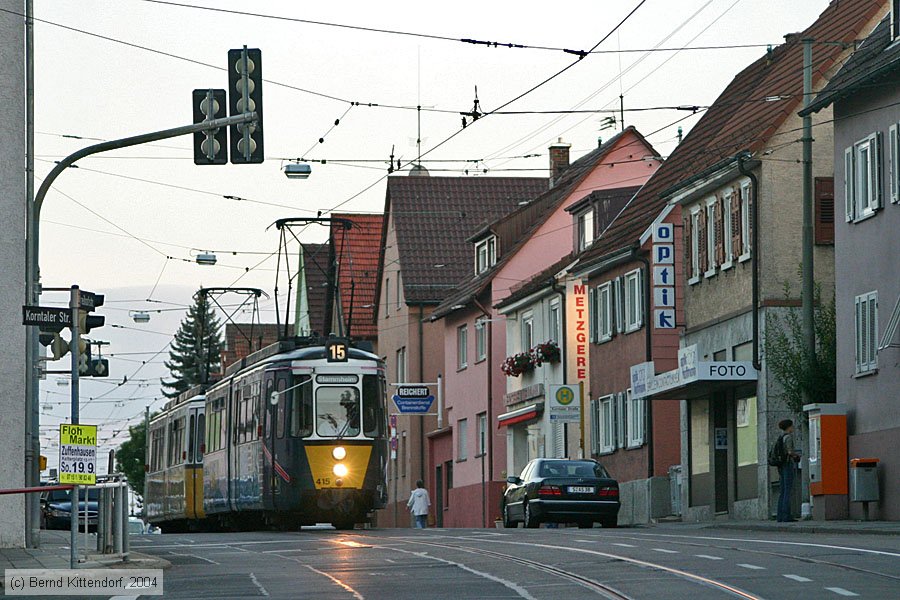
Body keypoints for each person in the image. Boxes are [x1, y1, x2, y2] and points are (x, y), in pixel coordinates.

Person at [776, 419, 800, 522]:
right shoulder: (788, 437)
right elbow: (790, 452)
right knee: (787, 490)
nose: (793, 428)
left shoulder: (780, 437)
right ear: (789, 427)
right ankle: (786, 515)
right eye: (792, 426)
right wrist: (796, 455)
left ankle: (780, 516)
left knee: (782, 491)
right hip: (787, 464)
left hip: (781, 465)